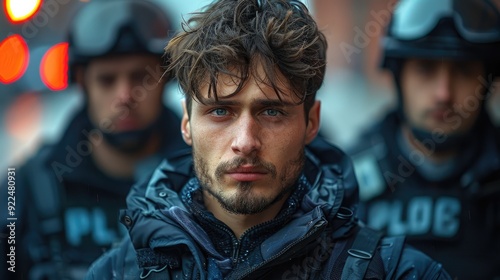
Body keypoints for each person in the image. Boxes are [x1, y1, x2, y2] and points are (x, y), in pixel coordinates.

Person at [85, 0, 451, 279]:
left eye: (272, 112)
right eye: (220, 112)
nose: (245, 141)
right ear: (186, 123)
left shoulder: (397, 271)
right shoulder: (117, 273)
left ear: (311, 122)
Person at [0, 0, 187, 279]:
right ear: (81, 82)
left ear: (165, 78)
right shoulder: (25, 189)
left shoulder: (203, 180)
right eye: (107, 80)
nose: (125, 96)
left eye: (139, 77)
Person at [348, 0, 500, 278]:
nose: (444, 93)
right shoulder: (347, 181)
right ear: (398, 76)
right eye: (426, 69)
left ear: (486, 82)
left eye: (464, 70)